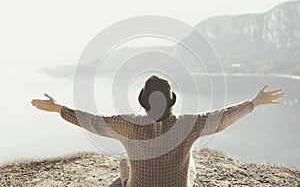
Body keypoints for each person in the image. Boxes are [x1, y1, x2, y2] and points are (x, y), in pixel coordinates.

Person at [31, 75, 285, 187]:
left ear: (143, 102)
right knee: (190, 162)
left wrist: (58, 109)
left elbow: (92, 122)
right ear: (171, 101)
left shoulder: (127, 125)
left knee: (124, 165)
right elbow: (223, 118)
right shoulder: (188, 125)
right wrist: (253, 103)